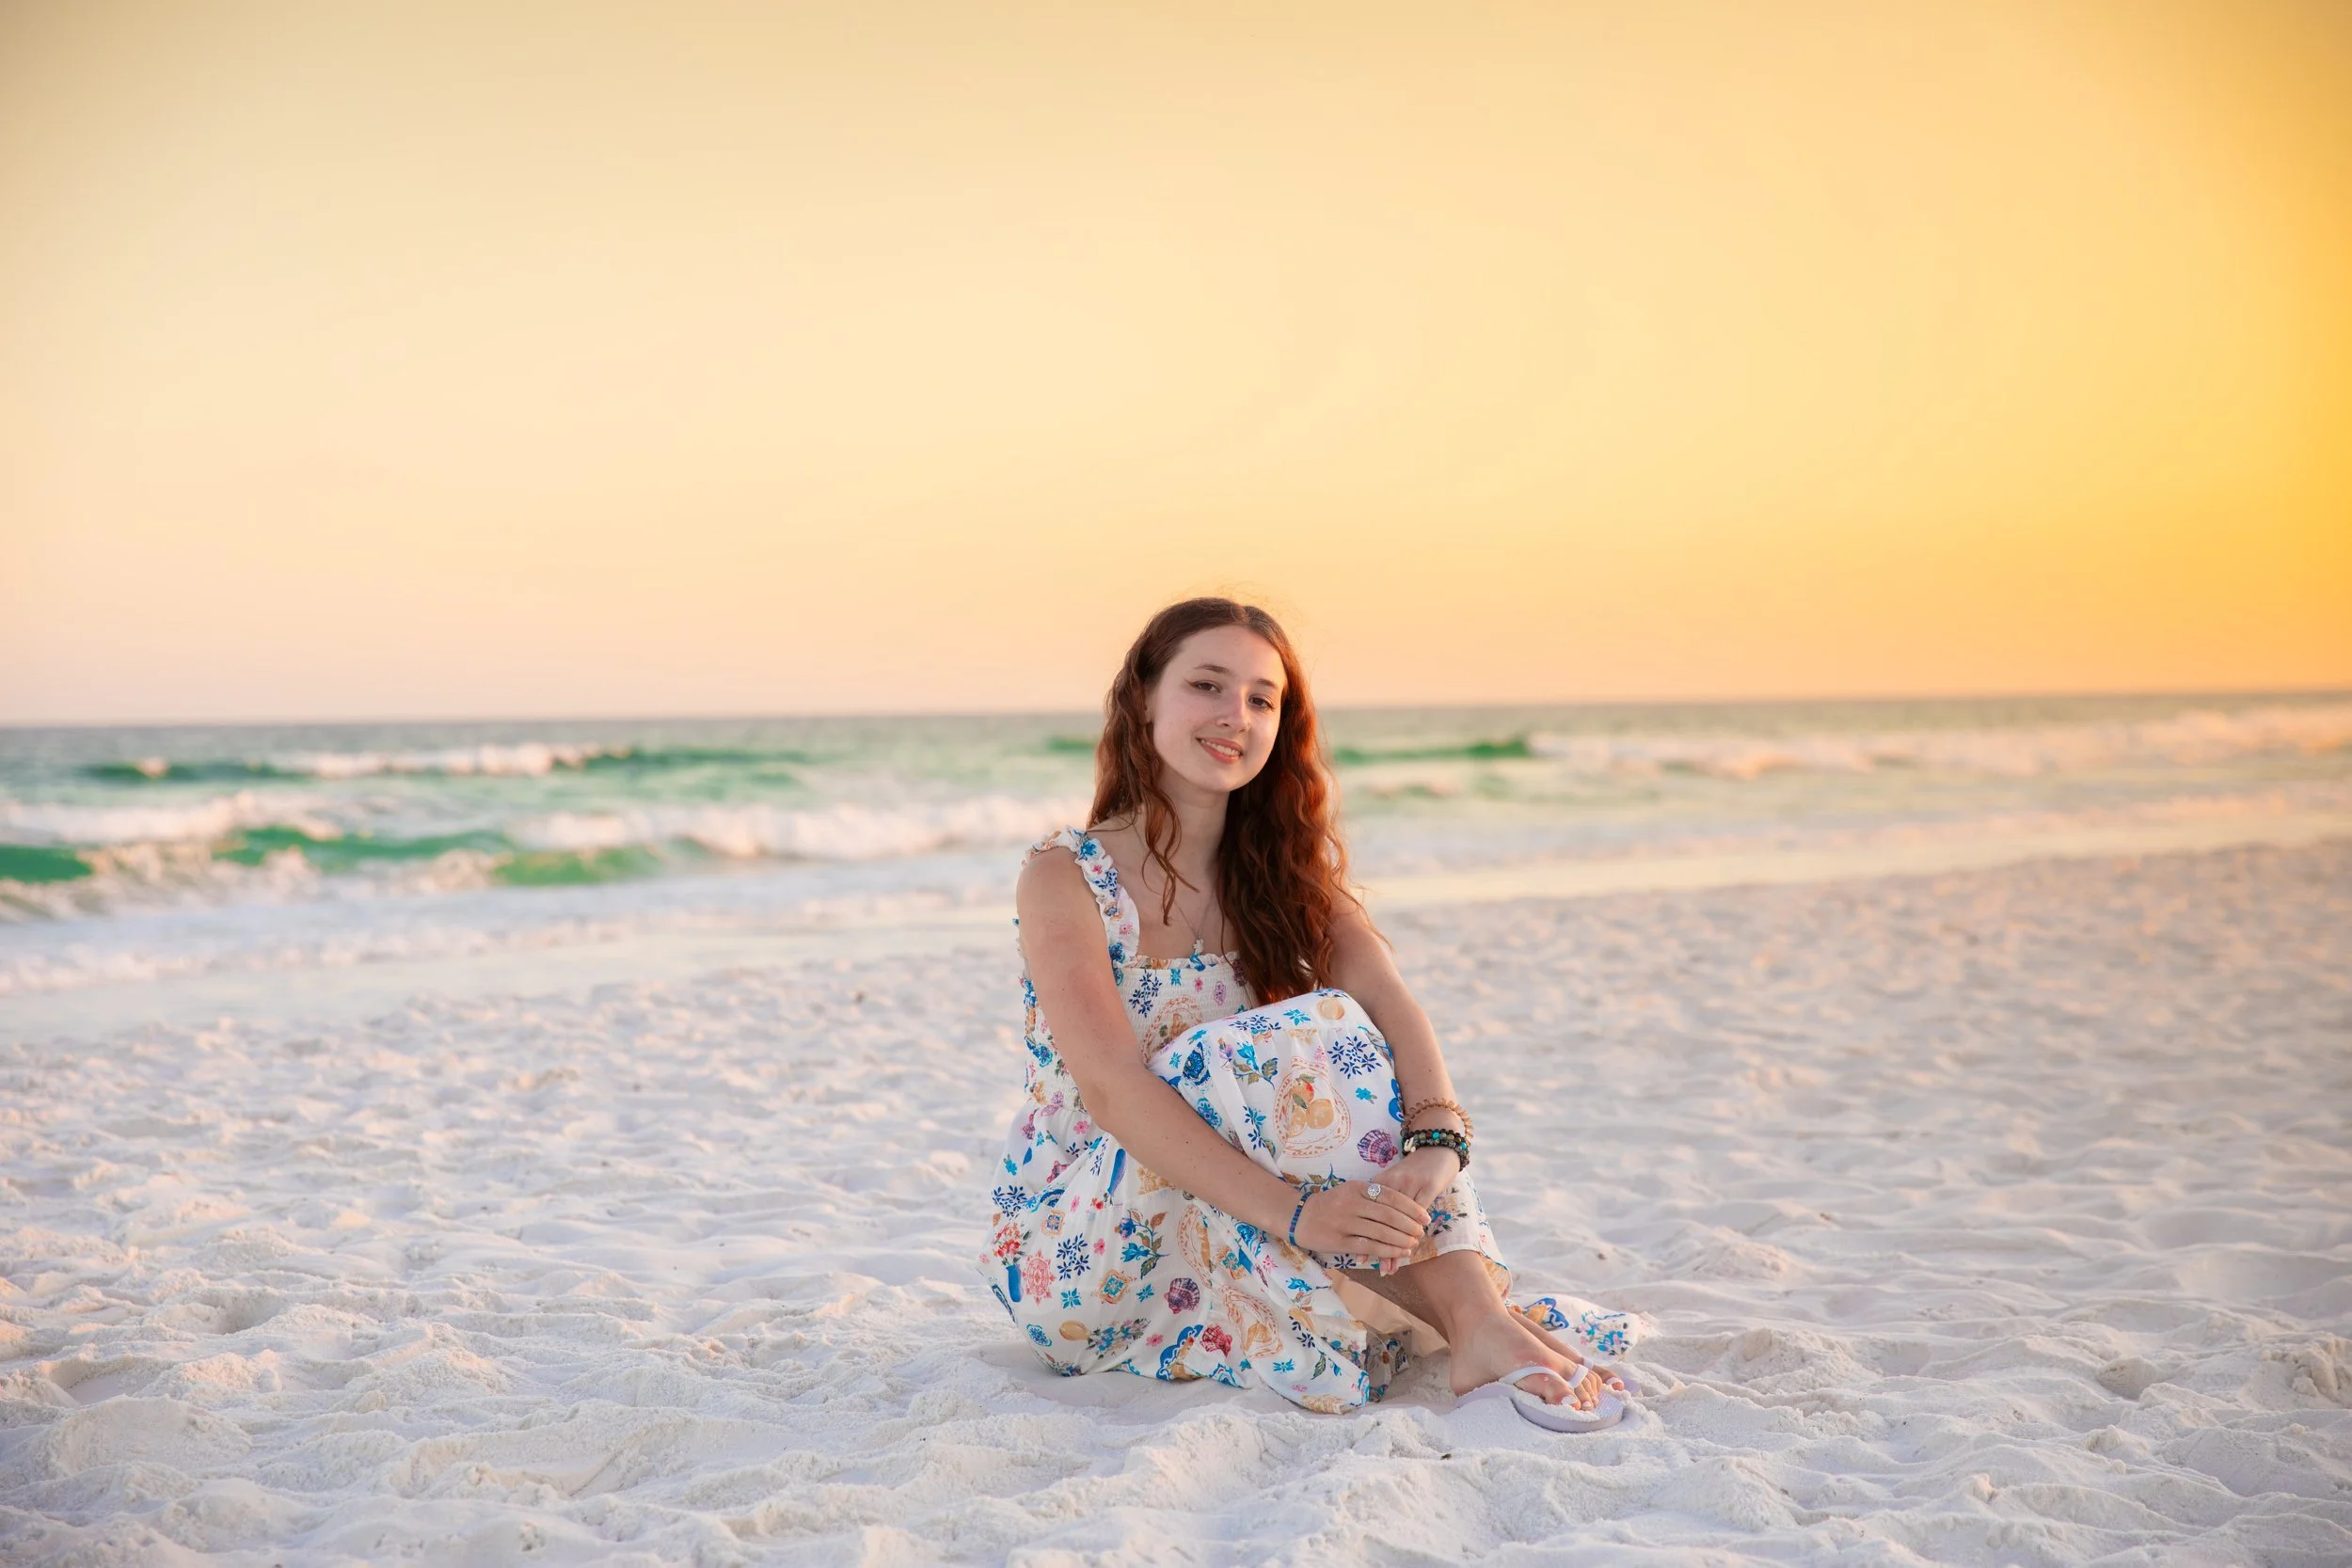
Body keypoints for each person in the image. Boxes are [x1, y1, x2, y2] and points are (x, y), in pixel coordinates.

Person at [978, 597, 1634, 1425]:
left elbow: (1389, 1000)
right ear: (1143, 698)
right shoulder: (1066, 877)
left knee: (1342, 1023)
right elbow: (1110, 1087)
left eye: (1262, 698)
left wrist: (1438, 1143)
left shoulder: (1281, 877)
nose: (1235, 716)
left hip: (1225, 1214)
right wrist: (1301, 1213)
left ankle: (1479, 1323)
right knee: (1239, 1051)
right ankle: (1480, 1321)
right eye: (1207, 685)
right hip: (1082, 1255)